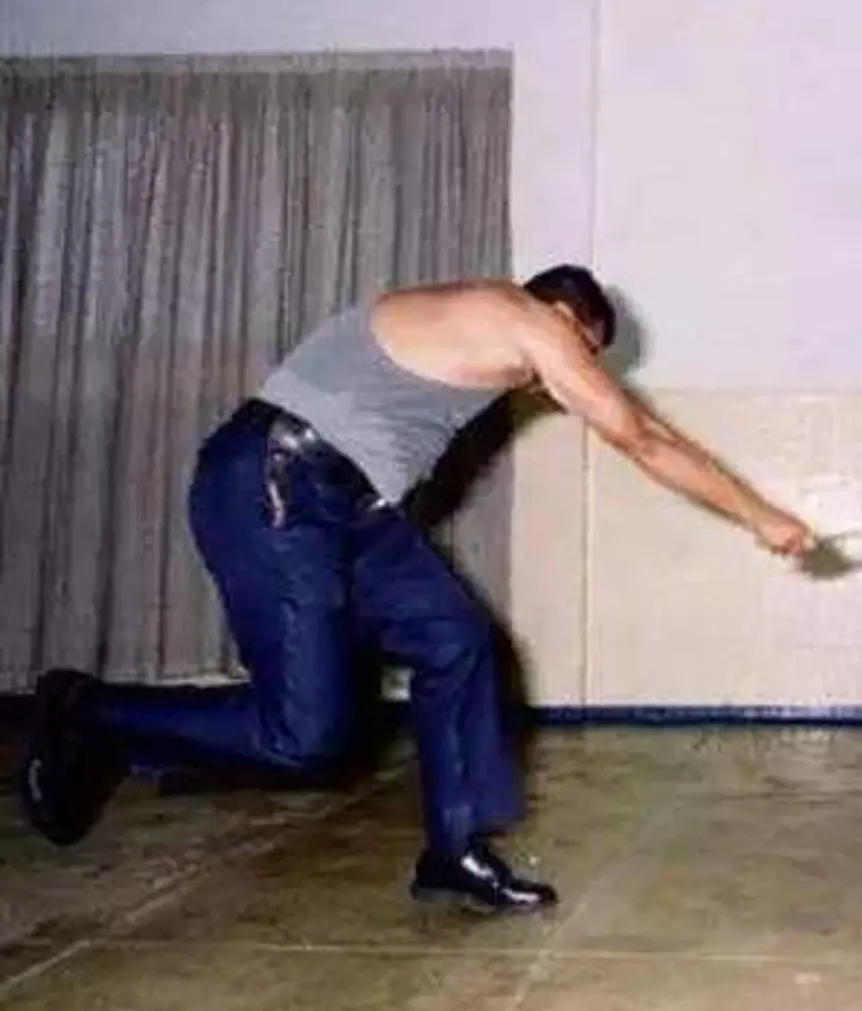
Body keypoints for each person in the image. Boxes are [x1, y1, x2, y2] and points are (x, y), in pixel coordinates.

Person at [18, 265, 821, 913]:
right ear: (569, 320)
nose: (555, 387)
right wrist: (761, 516)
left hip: (347, 502)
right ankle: (89, 710)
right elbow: (639, 436)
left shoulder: (472, 319)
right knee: (305, 737)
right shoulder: (528, 319)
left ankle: (454, 851)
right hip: (277, 479)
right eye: (584, 355)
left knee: (457, 638)